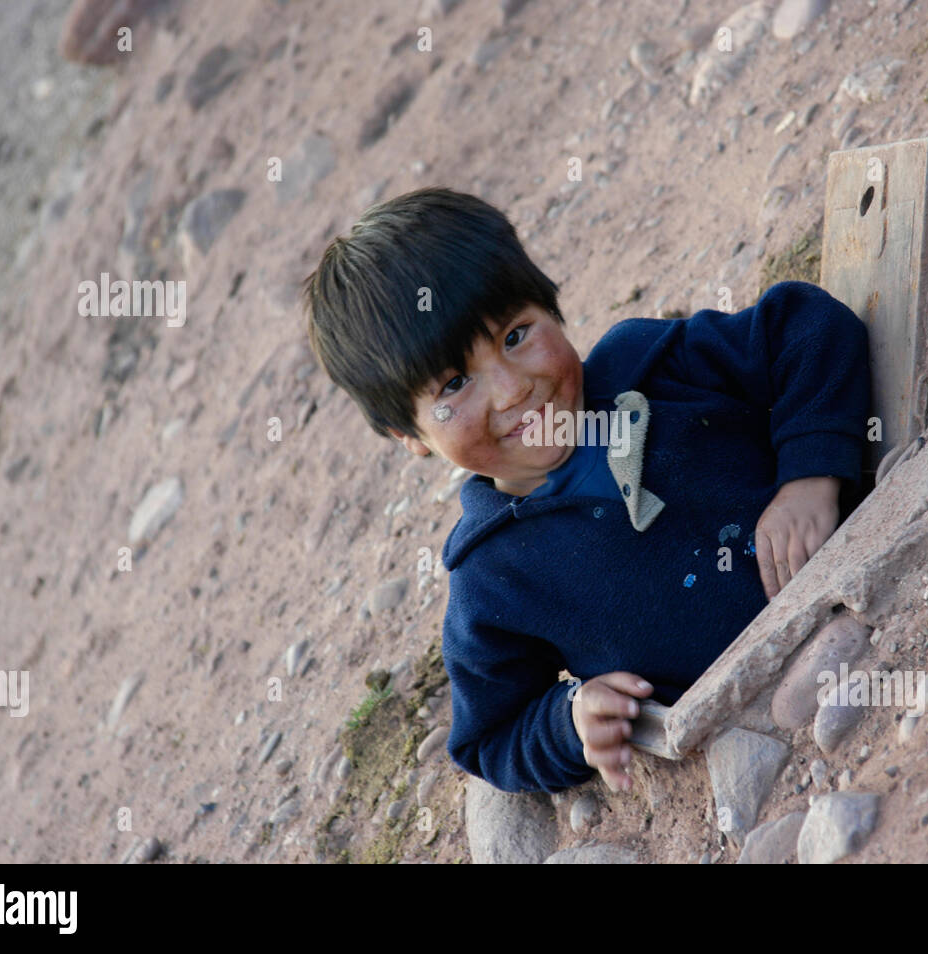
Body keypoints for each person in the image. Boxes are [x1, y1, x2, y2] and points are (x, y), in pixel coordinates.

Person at [301, 186, 871, 794]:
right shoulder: (494, 574)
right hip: (765, 744)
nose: (512, 389)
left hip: (868, 601)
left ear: (550, 305)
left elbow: (805, 324)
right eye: (455, 383)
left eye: (516, 335)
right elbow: (490, 739)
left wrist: (809, 477)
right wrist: (571, 722)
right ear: (407, 434)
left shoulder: (650, 368)